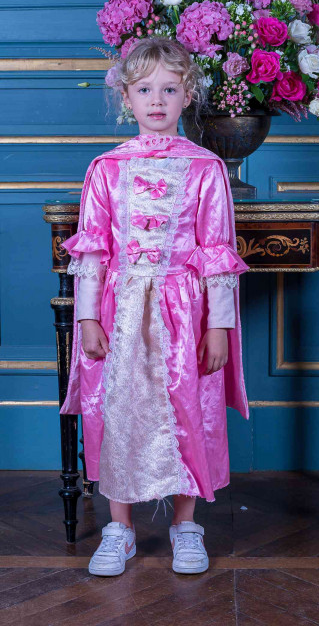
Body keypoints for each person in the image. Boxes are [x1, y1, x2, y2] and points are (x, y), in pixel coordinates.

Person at [60, 37, 250, 577]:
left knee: (189, 407)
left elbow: (216, 251)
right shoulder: (106, 169)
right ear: (127, 97)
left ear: (188, 95)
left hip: (184, 312)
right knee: (116, 409)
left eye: (170, 89)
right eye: (145, 90)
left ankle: (186, 526)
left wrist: (219, 326)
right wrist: (87, 317)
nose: (157, 100)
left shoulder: (206, 169)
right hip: (120, 312)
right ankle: (118, 529)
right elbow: (93, 250)